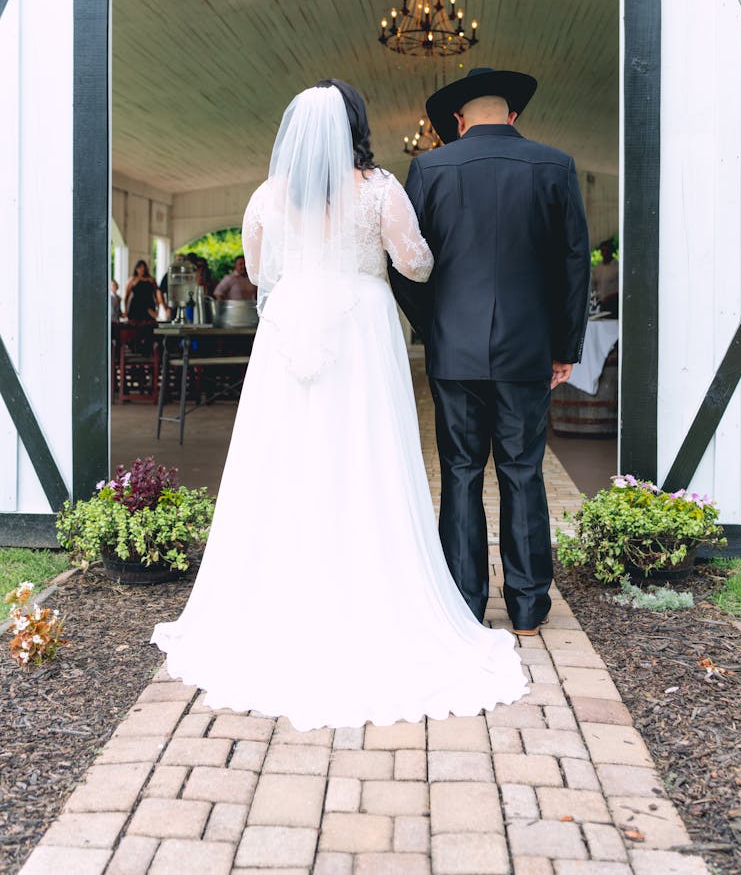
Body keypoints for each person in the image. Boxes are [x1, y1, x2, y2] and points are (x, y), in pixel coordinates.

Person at [152, 80, 528, 729]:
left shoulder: (267, 196)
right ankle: (368, 594)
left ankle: (282, 597)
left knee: (286, 459)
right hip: (358, 331)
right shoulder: (380, 189)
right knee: (363, 457)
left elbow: (258, 266)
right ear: (357, 125)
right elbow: (415, 264)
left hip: (290, 328)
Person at [389, 68, 590, 637]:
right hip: (529, 351)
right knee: (524, 473)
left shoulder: (429, 167)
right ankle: (527, 607)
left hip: (455, 351)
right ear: (513, 116)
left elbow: (407, 267)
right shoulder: (555, 166)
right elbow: (575, 263)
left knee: (459, 474)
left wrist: (435, 328)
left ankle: (464, 603)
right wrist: (564, 346)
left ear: (458, 121)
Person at [124, 260, 165, 324]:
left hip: (149, 306)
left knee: (149, 326)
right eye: (140, 268)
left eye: (143, 268)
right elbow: (126, 296)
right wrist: (126, 310)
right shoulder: (132, 280)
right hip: (136, 306)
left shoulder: (151, 280)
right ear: (136, 269)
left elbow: (156, 296)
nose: (142, 269)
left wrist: (158, 309)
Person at [593, 239, 619, 316]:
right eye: (603, 250)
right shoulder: (597, 268)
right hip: (599, 305)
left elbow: (621, 289)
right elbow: (593, 287)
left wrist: (610, 298)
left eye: (607, 250)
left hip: (613, 305)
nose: (604, 253)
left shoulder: (618, 267)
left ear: (612, 251)